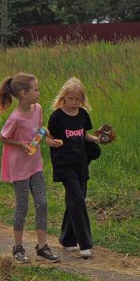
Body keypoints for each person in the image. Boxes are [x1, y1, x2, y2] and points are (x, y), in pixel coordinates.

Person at [0, 73, 60, 263]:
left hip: (35, 165)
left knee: (42, 203)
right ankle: (18, 247)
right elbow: (2, 137)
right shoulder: (15, 118)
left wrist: (49, 140)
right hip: (19, 170)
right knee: (22, 207)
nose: (39, 93)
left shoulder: (38, 109)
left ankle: (42, 247)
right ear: (24, 93)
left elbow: (38, 131)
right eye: (36, 90)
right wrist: (20, 145)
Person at [47, 76, 101, 259]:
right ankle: (85, 244)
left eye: (78, 99)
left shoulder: (83, 115)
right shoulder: (56, 117)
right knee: (77, 199)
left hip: (81, 164)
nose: (74, 102)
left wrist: (95, 139)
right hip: (64, 165)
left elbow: (83, 134)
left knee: (77, 199)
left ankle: (67, 239)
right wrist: (51, 142)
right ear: (63, 97)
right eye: (71, 99)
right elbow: (47, 136)